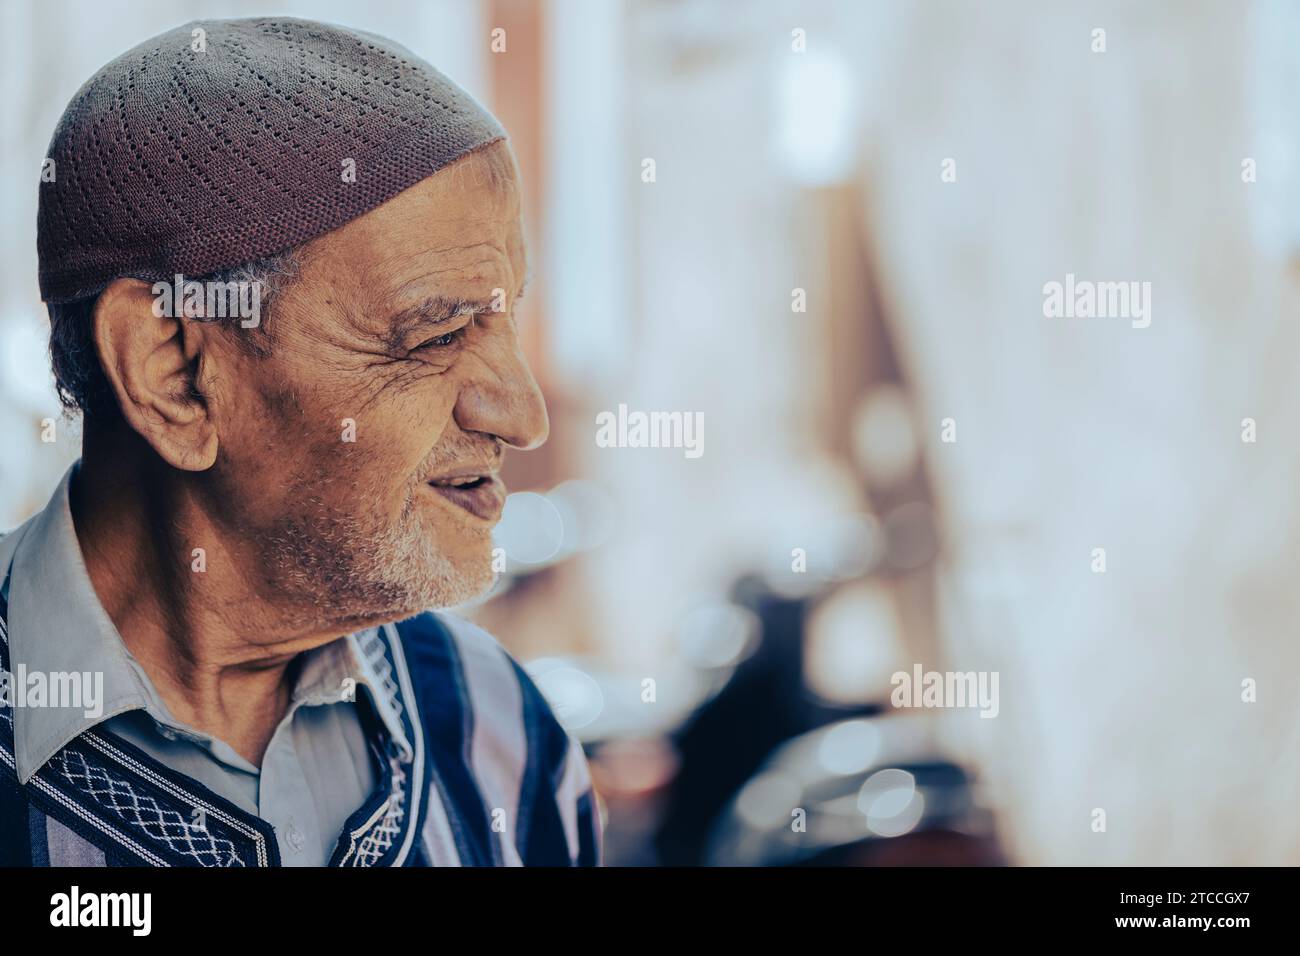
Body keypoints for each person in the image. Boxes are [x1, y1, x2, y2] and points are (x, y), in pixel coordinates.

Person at [0, 16, 600, 867]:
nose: (523, 415)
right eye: (435, 337)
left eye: (504, 319)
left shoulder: (503, 739)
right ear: (172, 370)